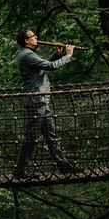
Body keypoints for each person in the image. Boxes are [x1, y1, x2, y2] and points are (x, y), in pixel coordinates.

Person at [13, 28, 78, 178]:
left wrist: (57, 54)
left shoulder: (29, 54)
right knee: (30, 138)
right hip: (36, 101)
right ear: (26, 41)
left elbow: (44, 66)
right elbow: (50, 66)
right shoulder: (27, 55)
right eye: (33, 36)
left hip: (41, 101)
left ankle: (64, 166)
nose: (36, 37)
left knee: (51, 136)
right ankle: (19, 172)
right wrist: (68, 56)